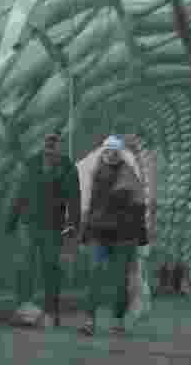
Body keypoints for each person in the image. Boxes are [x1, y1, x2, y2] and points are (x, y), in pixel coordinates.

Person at [77, 135, 149, 337]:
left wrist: (142, 237)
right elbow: (91, 206)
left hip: (124, 235)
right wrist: (84, 234)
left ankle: (117, 321)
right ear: (103, 151)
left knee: (120, 280)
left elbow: (139, 208)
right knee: (94, 275)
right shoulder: (95, 173)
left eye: (114, 151)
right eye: (107, 150)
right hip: (99, 233)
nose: (111, 154)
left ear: (120, 154)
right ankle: (89, 320)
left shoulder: (129, 176)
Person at [9, 132, 81, 328]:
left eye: (54, 142)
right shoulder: (31, 164)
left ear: (60, 145)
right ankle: (24, 311)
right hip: (28, 223)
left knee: (50, 268)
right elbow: (20, 192)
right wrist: (11, 218)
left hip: (52, 226)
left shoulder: (67, 168)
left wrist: (73, 226)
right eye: (47, 141)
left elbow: (74, 200)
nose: (49, 145)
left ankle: (51, 312)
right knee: (25, 268)